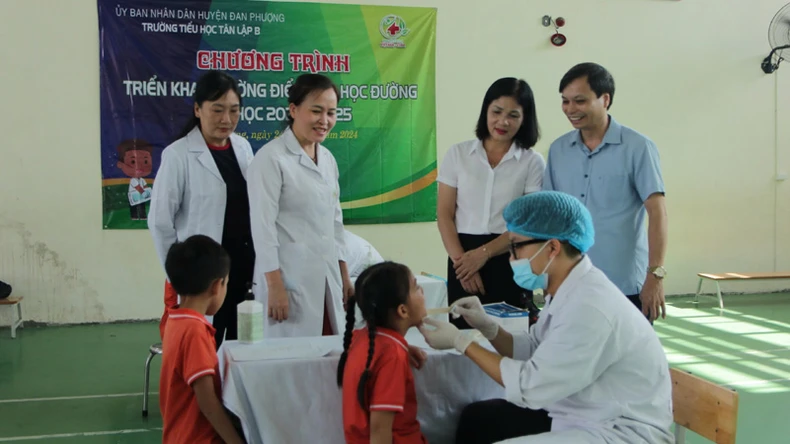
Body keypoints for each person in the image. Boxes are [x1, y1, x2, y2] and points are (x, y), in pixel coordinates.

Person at [419, 191, 674, 444]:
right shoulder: (567, 288)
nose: (511, 258)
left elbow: (530, 387)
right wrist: (488, 328)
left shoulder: (590, 307)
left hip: (620, 431)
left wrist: (461, 343)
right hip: (583, 413)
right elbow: (533, 348)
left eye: (515, 247)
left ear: (552, 247)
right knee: (480, 419)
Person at [543, 62, 668, 322]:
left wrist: (655, 276)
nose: (570, 109)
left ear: (605, 99)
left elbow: (657, 213)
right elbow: (550, 218)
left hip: (622, 285)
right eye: (565, 101)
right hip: (570, 282)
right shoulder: (558, 150)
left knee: (626, 361)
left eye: (579, 101)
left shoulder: (638, 147)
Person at [148, 70, 255, 347]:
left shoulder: (243, 148)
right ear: (198, 109)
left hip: (242, 270)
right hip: (201, 275)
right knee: (205, 347)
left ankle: (233, 392)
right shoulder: (178, 155)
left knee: (241, 344)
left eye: (234, 110)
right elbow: (160, 222)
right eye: (217, 110)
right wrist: (178, 276)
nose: (226, 119)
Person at [247, 73, 353, 338]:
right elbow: (263, 227)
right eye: (316, 111)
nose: (325, 121)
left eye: (331, 112)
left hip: (327, 277)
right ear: (293, 110)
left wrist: (344, 275)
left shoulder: (327, 158)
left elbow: (335, 223)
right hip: (288, 280)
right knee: (290, 363)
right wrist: (275, 285)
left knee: (329, 358)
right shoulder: (271, 159)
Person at [437, 77, 545, 329]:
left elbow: (526, 224)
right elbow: (444, 214)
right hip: (461, 257)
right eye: (496, 111)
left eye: (513, 115)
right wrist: (464, 264)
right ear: (485, 110)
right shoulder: (458, 154)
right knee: (463, 339)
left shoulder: (532, 162)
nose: (503, 122)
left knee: (509, 339)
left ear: (524, 119)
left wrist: (483, 254)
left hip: (510, 255)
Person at [159, 235, 244, 444]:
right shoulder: (195, 332)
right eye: (226, 284)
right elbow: (208, 403)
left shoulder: (175, 319)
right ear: (217, 286)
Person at [337, 261, 429, 444]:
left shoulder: (362, 338)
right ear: (403, 310)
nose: (422, 292)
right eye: (416, 287)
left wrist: (403, 348)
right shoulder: (392, 357)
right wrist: (397, 353)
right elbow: (380, 430)